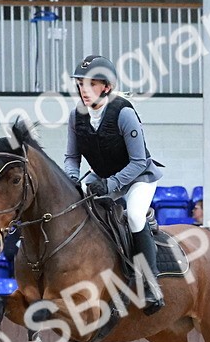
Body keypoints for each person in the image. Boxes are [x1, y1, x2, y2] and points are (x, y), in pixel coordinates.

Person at [63, 54, 166, 315]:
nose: (85, 90)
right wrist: (72, 179)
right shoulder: (76, 117)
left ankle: (151, 284)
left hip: (138, 178)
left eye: (92, 84)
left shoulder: (124, 113)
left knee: (133, 215)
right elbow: (72, 158)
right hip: (103, 178)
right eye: (81, 84)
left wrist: (109, 185)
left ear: (106, 86)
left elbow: (139, 160)